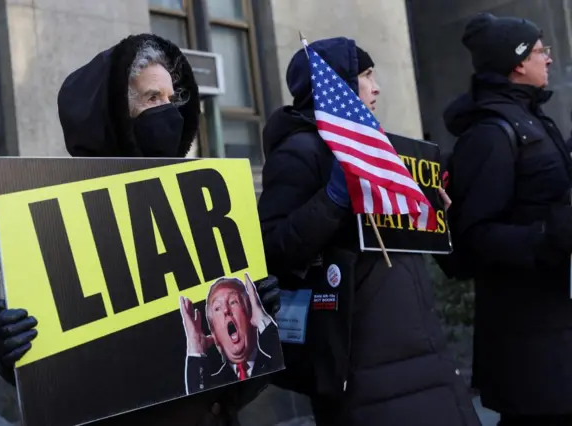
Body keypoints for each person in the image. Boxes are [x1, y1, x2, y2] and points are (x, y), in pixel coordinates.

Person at [0, 33, 281, 426]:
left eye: (172, 100)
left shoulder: (198, 206)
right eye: (152, 98)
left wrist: (259, 321)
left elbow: (232, 383)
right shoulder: (59, 219)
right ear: (115, 115)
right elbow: (57, 383)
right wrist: (13, 355)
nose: (168, 111)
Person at [257, 36, 481, 426]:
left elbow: (403, 244)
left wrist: (431, 214)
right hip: (362, 364)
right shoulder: (301, 153)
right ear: (337, 85)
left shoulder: (381, 149)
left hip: (420, 348)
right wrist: (334, 197)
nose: (376, 87)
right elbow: (272, 248)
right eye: (364, 75)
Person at [443, 13, 572, 426]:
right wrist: (549, 237)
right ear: (517, 63)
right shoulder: (491, 135)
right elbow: (473, 236)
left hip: (557, 326)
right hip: (529, 342)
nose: (547, 59)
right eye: (539, 51)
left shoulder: (533, 120)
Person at [182, 274, 282, 394]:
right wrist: (195, 348)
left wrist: (263, 321)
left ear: (250, 314)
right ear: (214, 333)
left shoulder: (274, 361)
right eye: (217, 308)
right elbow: (197, 405)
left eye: (233, 302)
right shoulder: (211, 385)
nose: (226, 310)